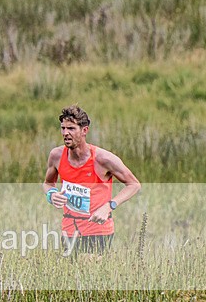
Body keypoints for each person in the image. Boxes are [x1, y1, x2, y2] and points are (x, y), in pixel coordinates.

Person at [43, 105, 141, 253]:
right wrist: (51, 195)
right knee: (70, 274)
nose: (65, 133)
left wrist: (109, 206)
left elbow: (134, 184)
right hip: (69, 229)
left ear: (84, 130)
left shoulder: (103, 159)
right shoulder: (56, 155)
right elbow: (48, 183)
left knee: (88, 271)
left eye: (71, 128)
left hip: (98, 230)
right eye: (63, 128)